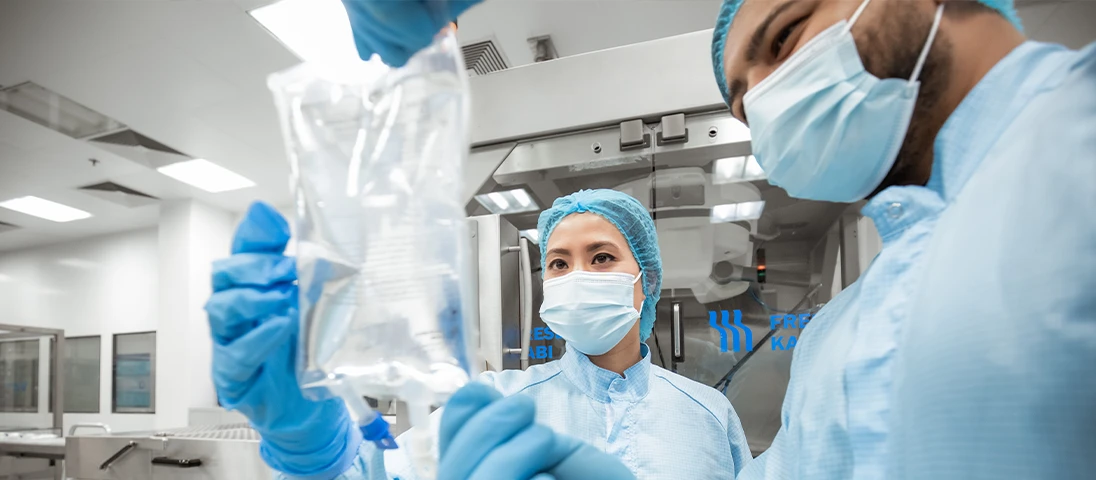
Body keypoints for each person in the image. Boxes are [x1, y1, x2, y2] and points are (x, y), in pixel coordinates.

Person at [344, 0, 1095, 478]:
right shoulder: (844, 336)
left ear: (643, 277)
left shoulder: (1072, 146)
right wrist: (315, 436)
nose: (769, 97)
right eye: (744, 99)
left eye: (786, 36)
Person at [206, 190, 749, 480]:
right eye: (558, 264)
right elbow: (371, 477)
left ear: (646, 281)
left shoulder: (708, 414)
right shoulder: (497, 403)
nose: (576, 276)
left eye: (601, 257)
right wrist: (314, 447)